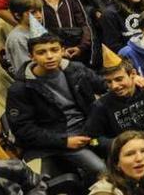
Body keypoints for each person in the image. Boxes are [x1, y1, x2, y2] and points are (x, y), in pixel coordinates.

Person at [6, 32, 107, 180]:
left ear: (63, 50)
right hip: (60, 138)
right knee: (101, 169)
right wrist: (64, 141)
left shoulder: (76, 69)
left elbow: (104, 85)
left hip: (91, 128)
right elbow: (24, 130)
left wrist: (132, 79)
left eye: (54, 50)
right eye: (41, 52)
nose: (49, 56)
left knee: (127, 148)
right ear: (31, 56)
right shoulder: (21, 89)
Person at [3, 0, 43, 76]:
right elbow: (25, 70)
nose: (39, 16)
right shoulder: (17, 39)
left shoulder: (35, 29)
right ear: (17, 15)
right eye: (33, 13)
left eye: (40, 11)